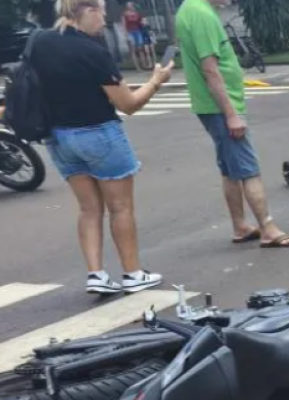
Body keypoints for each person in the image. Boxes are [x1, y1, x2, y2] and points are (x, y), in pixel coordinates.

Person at [31, 0, 173, 294]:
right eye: (103, 13)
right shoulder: (93, 51)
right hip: (98, 133)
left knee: (88, 209)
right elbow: (129, 104)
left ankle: (96, 274)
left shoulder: (40, 42)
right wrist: (156, 81)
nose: (104, 20)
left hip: (59, 137)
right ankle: (132, 273)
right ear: (87, 10)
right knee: (121, 207)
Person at [176, 0, 289, 248]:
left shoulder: (191, 9)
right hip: (220, 107)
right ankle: (268, 229)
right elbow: (210, 70)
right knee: (248, 169)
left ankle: (240, 226)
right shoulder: (201, 14)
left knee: (230, 169)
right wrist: (231, 114)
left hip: (212, 106)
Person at [121, 2, 149, 70]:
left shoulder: (136, 13)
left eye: (131, 5)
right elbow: (124, 25)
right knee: (133, 50)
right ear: (127, 6)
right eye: (128, 5)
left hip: (137, 31)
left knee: (140, 49)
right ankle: (138, 67)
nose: (130, 6)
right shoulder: (125, 14)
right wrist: (126, 35)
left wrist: (143, 22)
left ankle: (144, 65)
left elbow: (140, 22)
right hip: (130, 32)